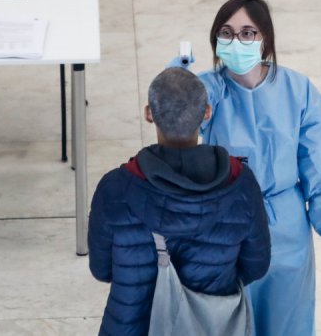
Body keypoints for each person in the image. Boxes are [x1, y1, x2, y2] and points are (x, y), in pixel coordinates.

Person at [168, 0, 321, 335]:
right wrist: (176, 88)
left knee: (288, 320)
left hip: (284, 226)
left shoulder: (298, 91)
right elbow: (174, 137)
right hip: (224, 225)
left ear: (265, 40)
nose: (236, 41)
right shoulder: (208, 90)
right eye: (226, 33)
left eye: (247, 33)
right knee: (228, 322)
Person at [88, 67, 271, 336]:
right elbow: (256, 265)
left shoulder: (115, 188)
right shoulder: (241, 185)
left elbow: (101, 269)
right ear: (207, 112)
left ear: (149, 114)